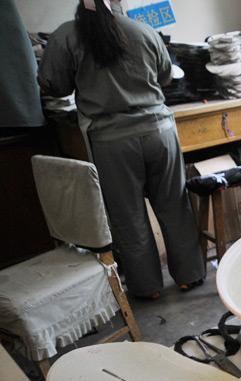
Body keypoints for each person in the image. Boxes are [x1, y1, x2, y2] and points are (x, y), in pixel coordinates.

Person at [38, 0, 204, 299]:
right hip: (159, 131)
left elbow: (55, 85)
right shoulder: (143, 30)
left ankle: (148, 287)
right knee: (174, 206)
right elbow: (166, 76)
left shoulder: (66, 36)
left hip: (112, 141)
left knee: (128, 216)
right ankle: (189, 276)